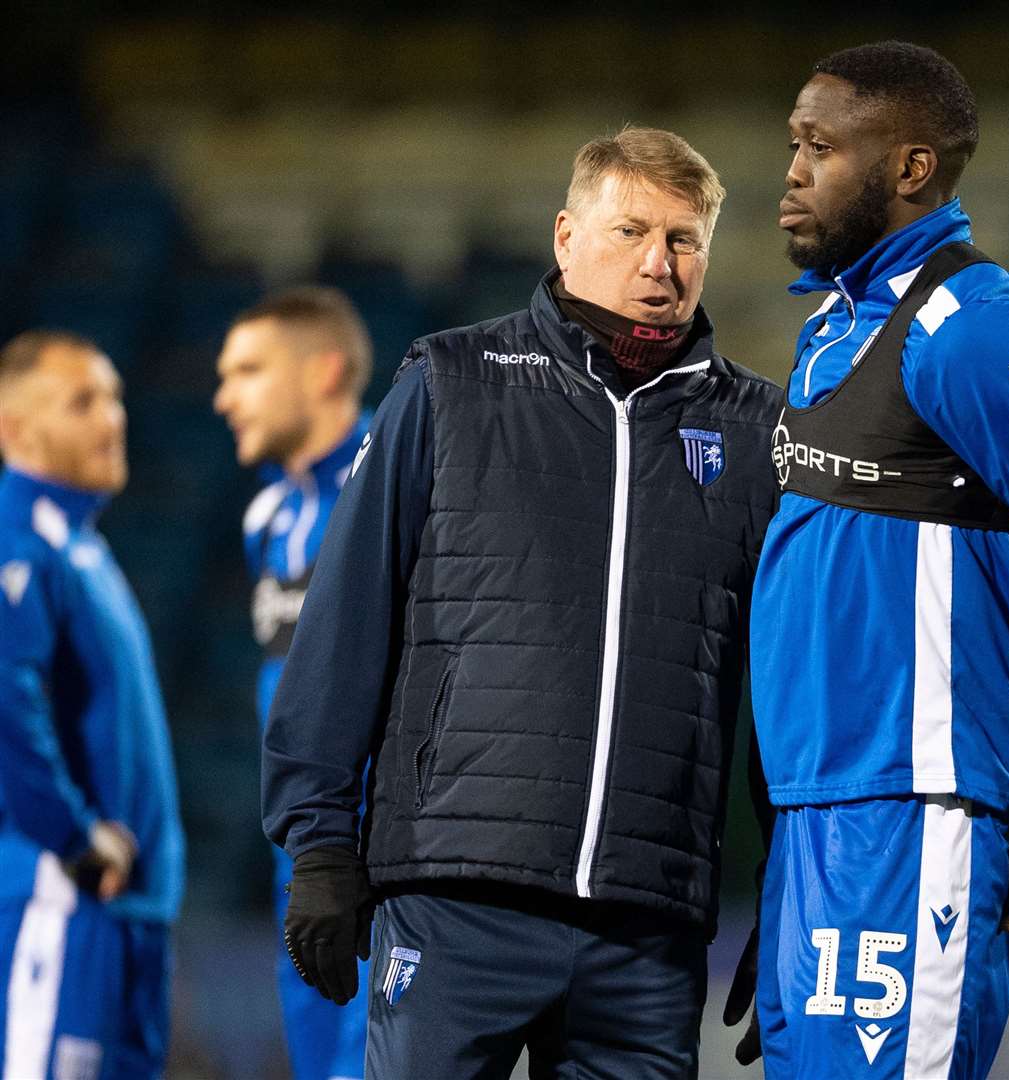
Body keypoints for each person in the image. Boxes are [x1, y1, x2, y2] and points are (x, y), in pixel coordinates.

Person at [260, 127, 782, 1078]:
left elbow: (788, 689)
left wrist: (790, 890)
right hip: (457, 898)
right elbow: (343, 621)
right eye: (631, 232)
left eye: (684, 239)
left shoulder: (754, 431)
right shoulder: (451, 384)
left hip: (647, 926)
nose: (659, 265)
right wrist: (320, 844)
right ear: (565, 237)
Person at [729, 42, 1009, 1078]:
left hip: (914, 815)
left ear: (909, 168)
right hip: (820, 822)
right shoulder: (836, 329)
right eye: (793, 143)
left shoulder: (967, 331)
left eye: (821, 147)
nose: (791, 170)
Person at [0, 330, 185, 1080]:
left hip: (128, 917)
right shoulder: (18, 543)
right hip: (62, 900)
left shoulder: (82, 547)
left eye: (112, 397)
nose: (112, 419)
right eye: (82, 402)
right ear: (15, 429)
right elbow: (7, 706)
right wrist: (74, 838)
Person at [214, 286, 373, 1080]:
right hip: (299, 863)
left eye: (247, 371)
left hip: (382, 861)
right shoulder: (266, 516)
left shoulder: (395, 478)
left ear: (323, 373)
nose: (224, 397)